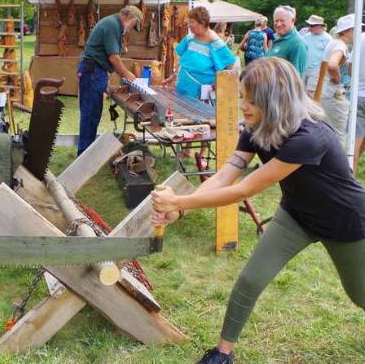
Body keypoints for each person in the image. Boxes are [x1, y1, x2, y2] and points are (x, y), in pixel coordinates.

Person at [151, 57, 365, 364]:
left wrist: (179, 202)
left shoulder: (309, 137)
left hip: (346, 221)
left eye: (251, 100)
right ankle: (223, 354)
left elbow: (244, 190)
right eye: (242, 97)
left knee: (360, 295)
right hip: (297, 215)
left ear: (275, 100)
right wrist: (180, 210)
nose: (243, 106)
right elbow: (226, 175)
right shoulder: (256, 128)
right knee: (251, 279)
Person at [77, 5, 141, 155]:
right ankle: (84, 155)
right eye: (133, 25)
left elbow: (104, 58)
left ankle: (87, 152)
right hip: (92, 71)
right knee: (90, 114)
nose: (131, 29)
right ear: (129, 17)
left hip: (94, 72)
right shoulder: (113, 25)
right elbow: (113, 58)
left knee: (93, 114)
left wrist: (106, 85)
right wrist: (127, 75)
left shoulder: (113, 24)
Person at [166, 6, 237, 100]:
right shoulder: (190, 37)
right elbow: (183, 59)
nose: (189, 25)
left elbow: (230, 63)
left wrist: (219, 83)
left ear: (202, 23)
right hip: (183, 85)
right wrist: (173, 76)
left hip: (201, 93)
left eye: (192, 22)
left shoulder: (214, 41)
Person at [318, 14, 357, 146]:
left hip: (325, 92)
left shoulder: (334, 42)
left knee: (326, 131)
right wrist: (338, 78)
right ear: (347, 31)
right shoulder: (340, 46)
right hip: (334, 95)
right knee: (339, 134)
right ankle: (339, 164)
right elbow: (332, 64)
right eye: (355, 29)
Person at [265, 5, 308, 76]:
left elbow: (296, 77)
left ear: (293, 20)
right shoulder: (278, 37)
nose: (278, 24)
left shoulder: (297, 43)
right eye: (276, 21)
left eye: (282, 21)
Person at [302, 14, 333, 92]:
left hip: (317, 71)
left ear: (320, 26)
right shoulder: (305, 37)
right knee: (301, 92)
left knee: (311, 93)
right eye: (309, 25)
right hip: (304, 69)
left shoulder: (328, 39)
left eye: (312, 25)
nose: (310, 27)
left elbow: (331, 56)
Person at [352, 30, 365, 174]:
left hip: (359, 96)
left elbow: (350, 68)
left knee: (355, 145)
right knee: (355, 147)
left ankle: (350, 177)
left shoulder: (360, 37)